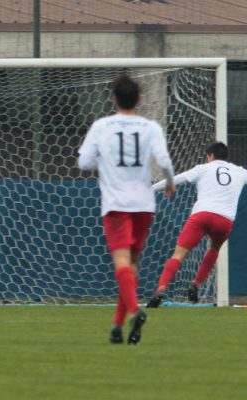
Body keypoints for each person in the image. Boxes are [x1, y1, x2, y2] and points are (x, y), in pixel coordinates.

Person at [78, 74, 175, 345]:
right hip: (144, 204)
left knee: (121, 264)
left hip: (116, 205)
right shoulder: (151, 127)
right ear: (140, 100)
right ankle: (117, 327)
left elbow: (84, 162)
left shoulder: (101, 126)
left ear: (113, 100)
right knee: (132, 266)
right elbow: (164, 159)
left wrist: (105, 160)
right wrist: (169, 183)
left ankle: (135, 311)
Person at [146, 141, 247, 307]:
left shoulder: (202, 168)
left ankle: (161, 288)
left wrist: (149, 190)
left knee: (178, 254)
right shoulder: (240, 172)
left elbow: (174, 180)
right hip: (224, 220)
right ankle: (196, 283)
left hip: (201, 215)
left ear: (211, 156)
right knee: (214, 248)